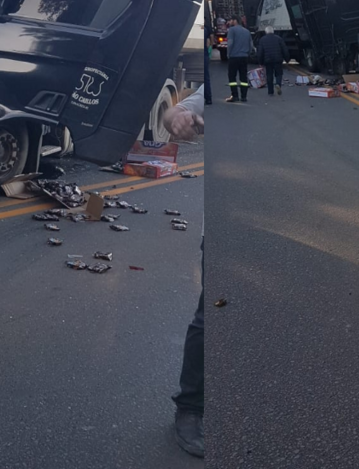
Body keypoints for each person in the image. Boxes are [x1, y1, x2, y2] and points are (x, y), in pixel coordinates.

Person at [162, 85, 205, 458]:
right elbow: (173, 114)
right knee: (208, 320)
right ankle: (190, 407)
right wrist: (177, 117)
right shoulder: (207, 94)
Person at [256, 25, 289, 96]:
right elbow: (284, 49)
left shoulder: (262, 39)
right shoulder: (279, 38)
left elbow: (260, 52)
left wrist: (260, 62)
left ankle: (270, 91)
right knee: (279, 74)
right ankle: (278, 84)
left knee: (269, 75)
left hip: (268, 60)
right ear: (273, 31)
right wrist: (287, 59)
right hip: (278, 59)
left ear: (266, 32)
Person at [225, 18, 252, 102]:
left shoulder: (232, 30)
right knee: (243, 77)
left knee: (232, 77)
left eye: (230, 20)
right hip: (244, 57)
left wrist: (228, 53)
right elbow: (251, 44)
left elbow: (230, 43)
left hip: (234, 57)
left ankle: (235, 95)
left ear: (235, 21)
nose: (229, 22)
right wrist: (248, 53)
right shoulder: (247, 31)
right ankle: (244, 96)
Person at [203, 16, 213, 105]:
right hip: (204, 55)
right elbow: (208, 43)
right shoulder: (206, 30)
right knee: (206, 78)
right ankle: (208, 98)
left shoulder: (205, 30)